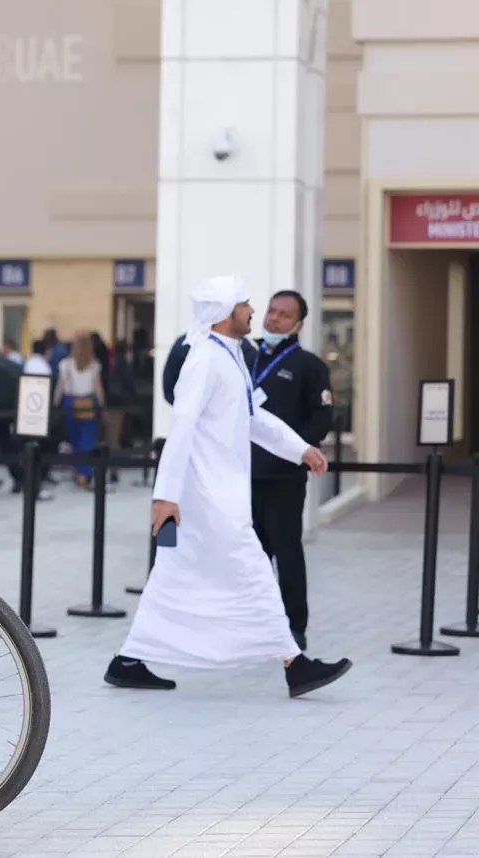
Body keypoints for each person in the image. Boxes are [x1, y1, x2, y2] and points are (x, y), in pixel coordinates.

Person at [103, 275, 352, 698]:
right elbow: (179, 428)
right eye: (246, 304)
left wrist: (301, 449)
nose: (254, 311)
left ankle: (128, 661)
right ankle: (296, 664)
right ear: (225, 312)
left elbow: (254, 415)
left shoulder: (228, 355)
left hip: (218, 493)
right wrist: (165, 496)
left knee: (172, 576)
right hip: (208, 497)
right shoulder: (203, 360)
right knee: (253, 569)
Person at [249, 290, 334, 651]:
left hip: (283, 478)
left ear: (298, 324)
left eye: (284, 315)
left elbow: (322, 417)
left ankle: (294, 626)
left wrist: (298, 450)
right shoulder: (244, 356)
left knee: (286, 550)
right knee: (250, 556)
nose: (273, 319)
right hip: (242, 476)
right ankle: (251, 623)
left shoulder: (310, 367)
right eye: (271, 311)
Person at [52, 332, 106, 489]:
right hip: (88, 404)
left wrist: (55, 404)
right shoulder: (94, 365)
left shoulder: (65, 365)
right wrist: (102, 406)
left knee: (74, 440)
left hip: (70, 403)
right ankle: (85, 473)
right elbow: (98, 389)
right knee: (87, 440)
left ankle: (78, 471)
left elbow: (60, 387)